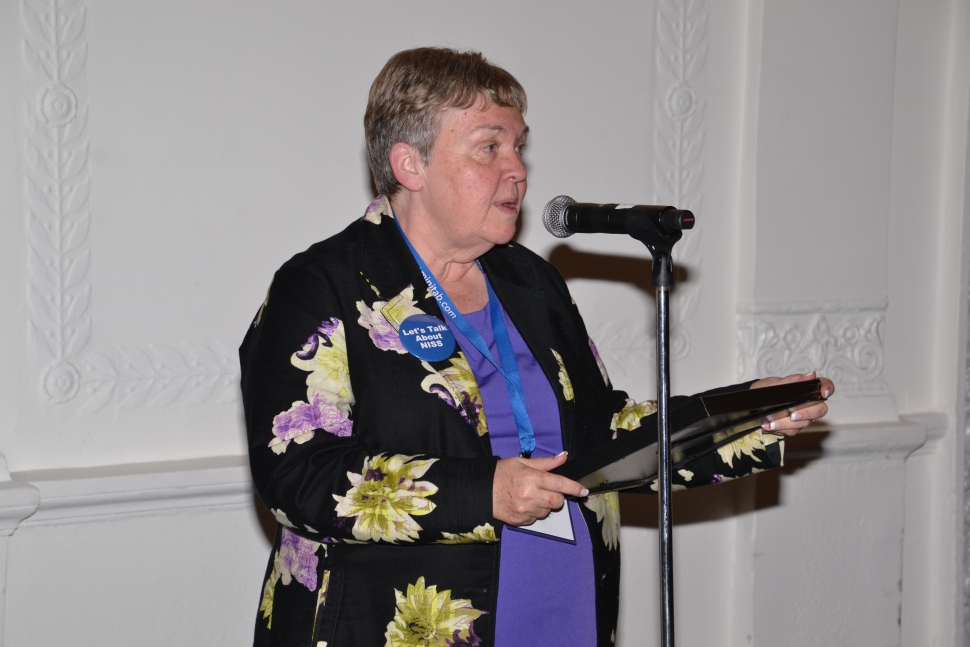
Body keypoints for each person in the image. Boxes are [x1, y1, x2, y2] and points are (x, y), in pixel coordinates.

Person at [239, 47, 833, 647]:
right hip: (391, 624)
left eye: (519, 146)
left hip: (562, 608)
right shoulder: (323, 287)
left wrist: (741, 418)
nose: (517, 169)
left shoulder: (529, 281)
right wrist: (486, 492)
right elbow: (297, 477)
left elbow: (603, 436)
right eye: (489, 147)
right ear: (409, 164)